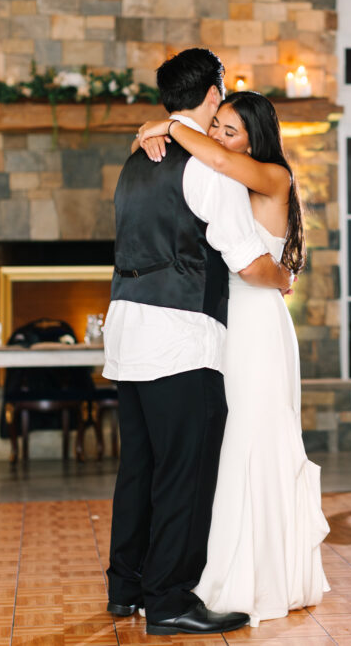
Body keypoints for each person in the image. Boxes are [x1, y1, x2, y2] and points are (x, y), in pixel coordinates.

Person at [102, 49, 293, 636]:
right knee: (184, 471)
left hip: (125, 330)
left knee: (137, 466)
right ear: (214, 92)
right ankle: (168, 602)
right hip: (181, 336)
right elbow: (246, 258)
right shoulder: (206, 168)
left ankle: (125, 587)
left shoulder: (137, 159)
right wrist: (284, 275)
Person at [133, 90, 330, 627]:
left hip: (257, 324)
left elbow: (217, 162)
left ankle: (257, 577)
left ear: (255, 139)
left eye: (230, 130)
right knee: (225, 444)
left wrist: (170, 126)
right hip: (225, 322)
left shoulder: (272, 176)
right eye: (215, 124)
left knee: (252, 438)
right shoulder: (226, 179)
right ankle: (213, 567)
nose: (218, 137)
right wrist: (160, 133)